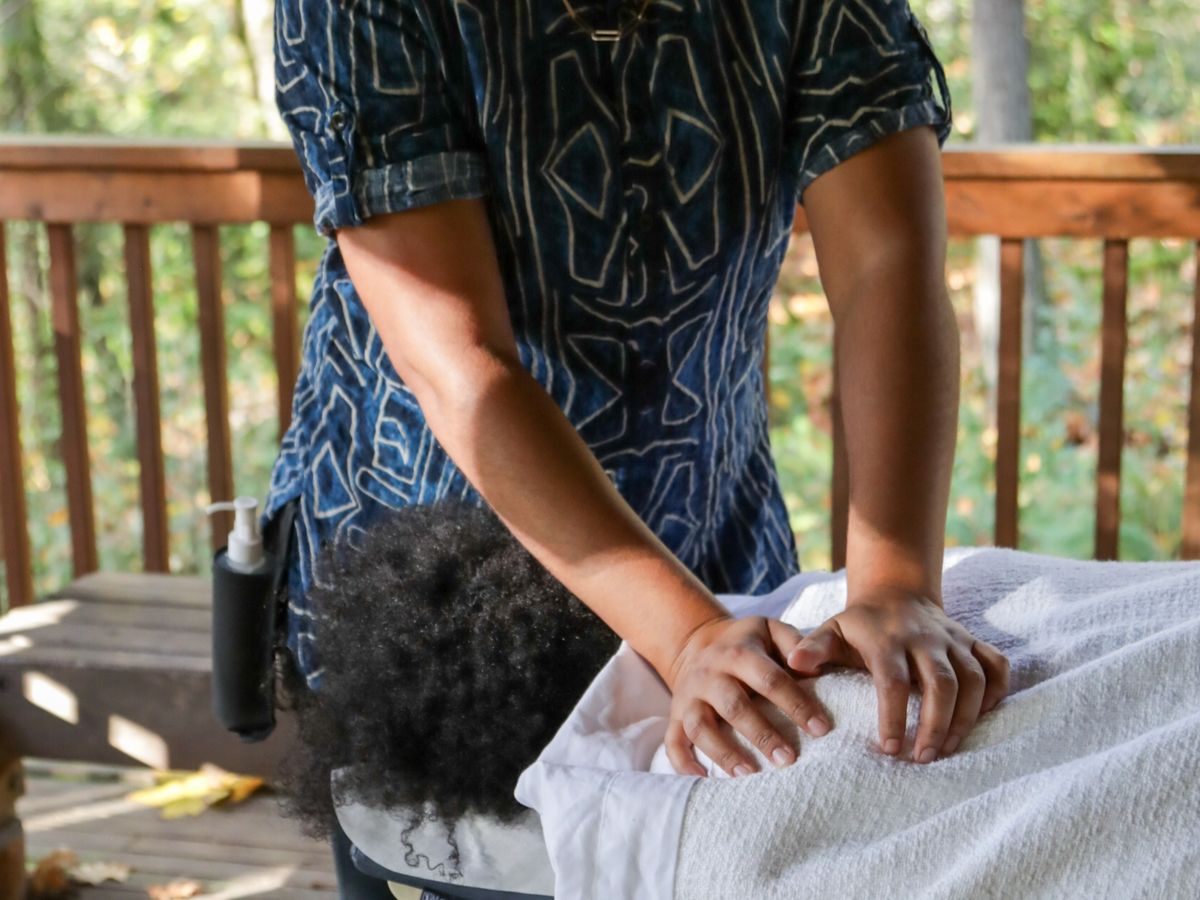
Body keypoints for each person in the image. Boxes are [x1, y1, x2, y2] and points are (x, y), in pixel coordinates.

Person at [266, 0, 1011, 893]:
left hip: (719, 543)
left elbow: (885, 264)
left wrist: (893, 585)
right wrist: (686, 635)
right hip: (448, 603)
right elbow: (460, 364)